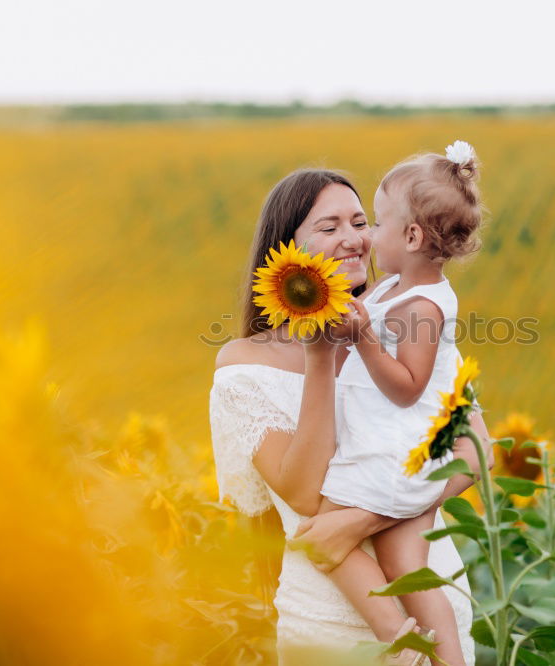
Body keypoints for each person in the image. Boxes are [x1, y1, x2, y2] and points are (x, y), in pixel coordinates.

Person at [209, 168, 491, 665]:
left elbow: (475, 450)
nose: (354, 240)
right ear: (287, 251)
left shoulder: (400, 326)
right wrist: (320, 358)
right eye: (329, 226)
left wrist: (365, 518)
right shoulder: (245, 364)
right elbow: (302, 492)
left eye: (361, 222)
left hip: (434, 593)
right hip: (329, 630)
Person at [315, 141, 484, 666]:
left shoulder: (424, 306)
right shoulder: (393, 288)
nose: (366, 238)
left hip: (396, 455)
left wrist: (363, 337)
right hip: (396, 446)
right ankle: (429, 651)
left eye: (377, 222)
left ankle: (409, 644)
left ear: (410, 236)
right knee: (405, 564)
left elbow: (408, 385)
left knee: (322, 538)